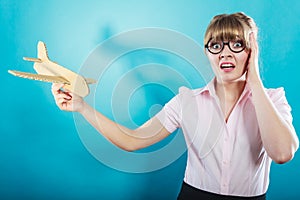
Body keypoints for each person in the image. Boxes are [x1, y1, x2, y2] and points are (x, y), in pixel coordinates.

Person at [51, 12, 299, 199]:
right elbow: (132, 140)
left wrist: (254, 78)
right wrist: (82, 107)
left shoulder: (273, 99)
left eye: (236, 45)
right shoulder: (187, 100)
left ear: (252, 51)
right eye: (216, 46)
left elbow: (282, 154)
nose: (225, 53)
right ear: (207, 53)